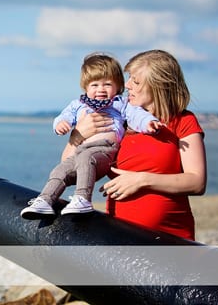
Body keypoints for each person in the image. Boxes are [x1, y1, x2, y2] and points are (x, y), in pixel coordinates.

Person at [72, 49, 206, 240]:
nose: (127, 85)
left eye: (135, 81)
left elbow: (197, 182)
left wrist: (141, 180)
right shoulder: (119, 120)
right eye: (128, 79)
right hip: (118, 233)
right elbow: (72, 168)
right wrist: (77, 136)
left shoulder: (183, 121)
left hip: (171, 236)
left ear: (158, 85)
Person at [22, 53, 163, 217]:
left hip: (105, 148)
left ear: (118, 86)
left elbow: (136, 115)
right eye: (95, 85)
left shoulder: (120, 104)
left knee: (87, 158)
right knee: (60, 170)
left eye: (107, 84)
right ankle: (45, 200)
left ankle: (82, 198)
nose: (101, 89)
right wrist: (61, 125)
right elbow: (64, 116)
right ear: (86, 87)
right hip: (81, 149)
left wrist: (148, 123)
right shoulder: (78, 104)